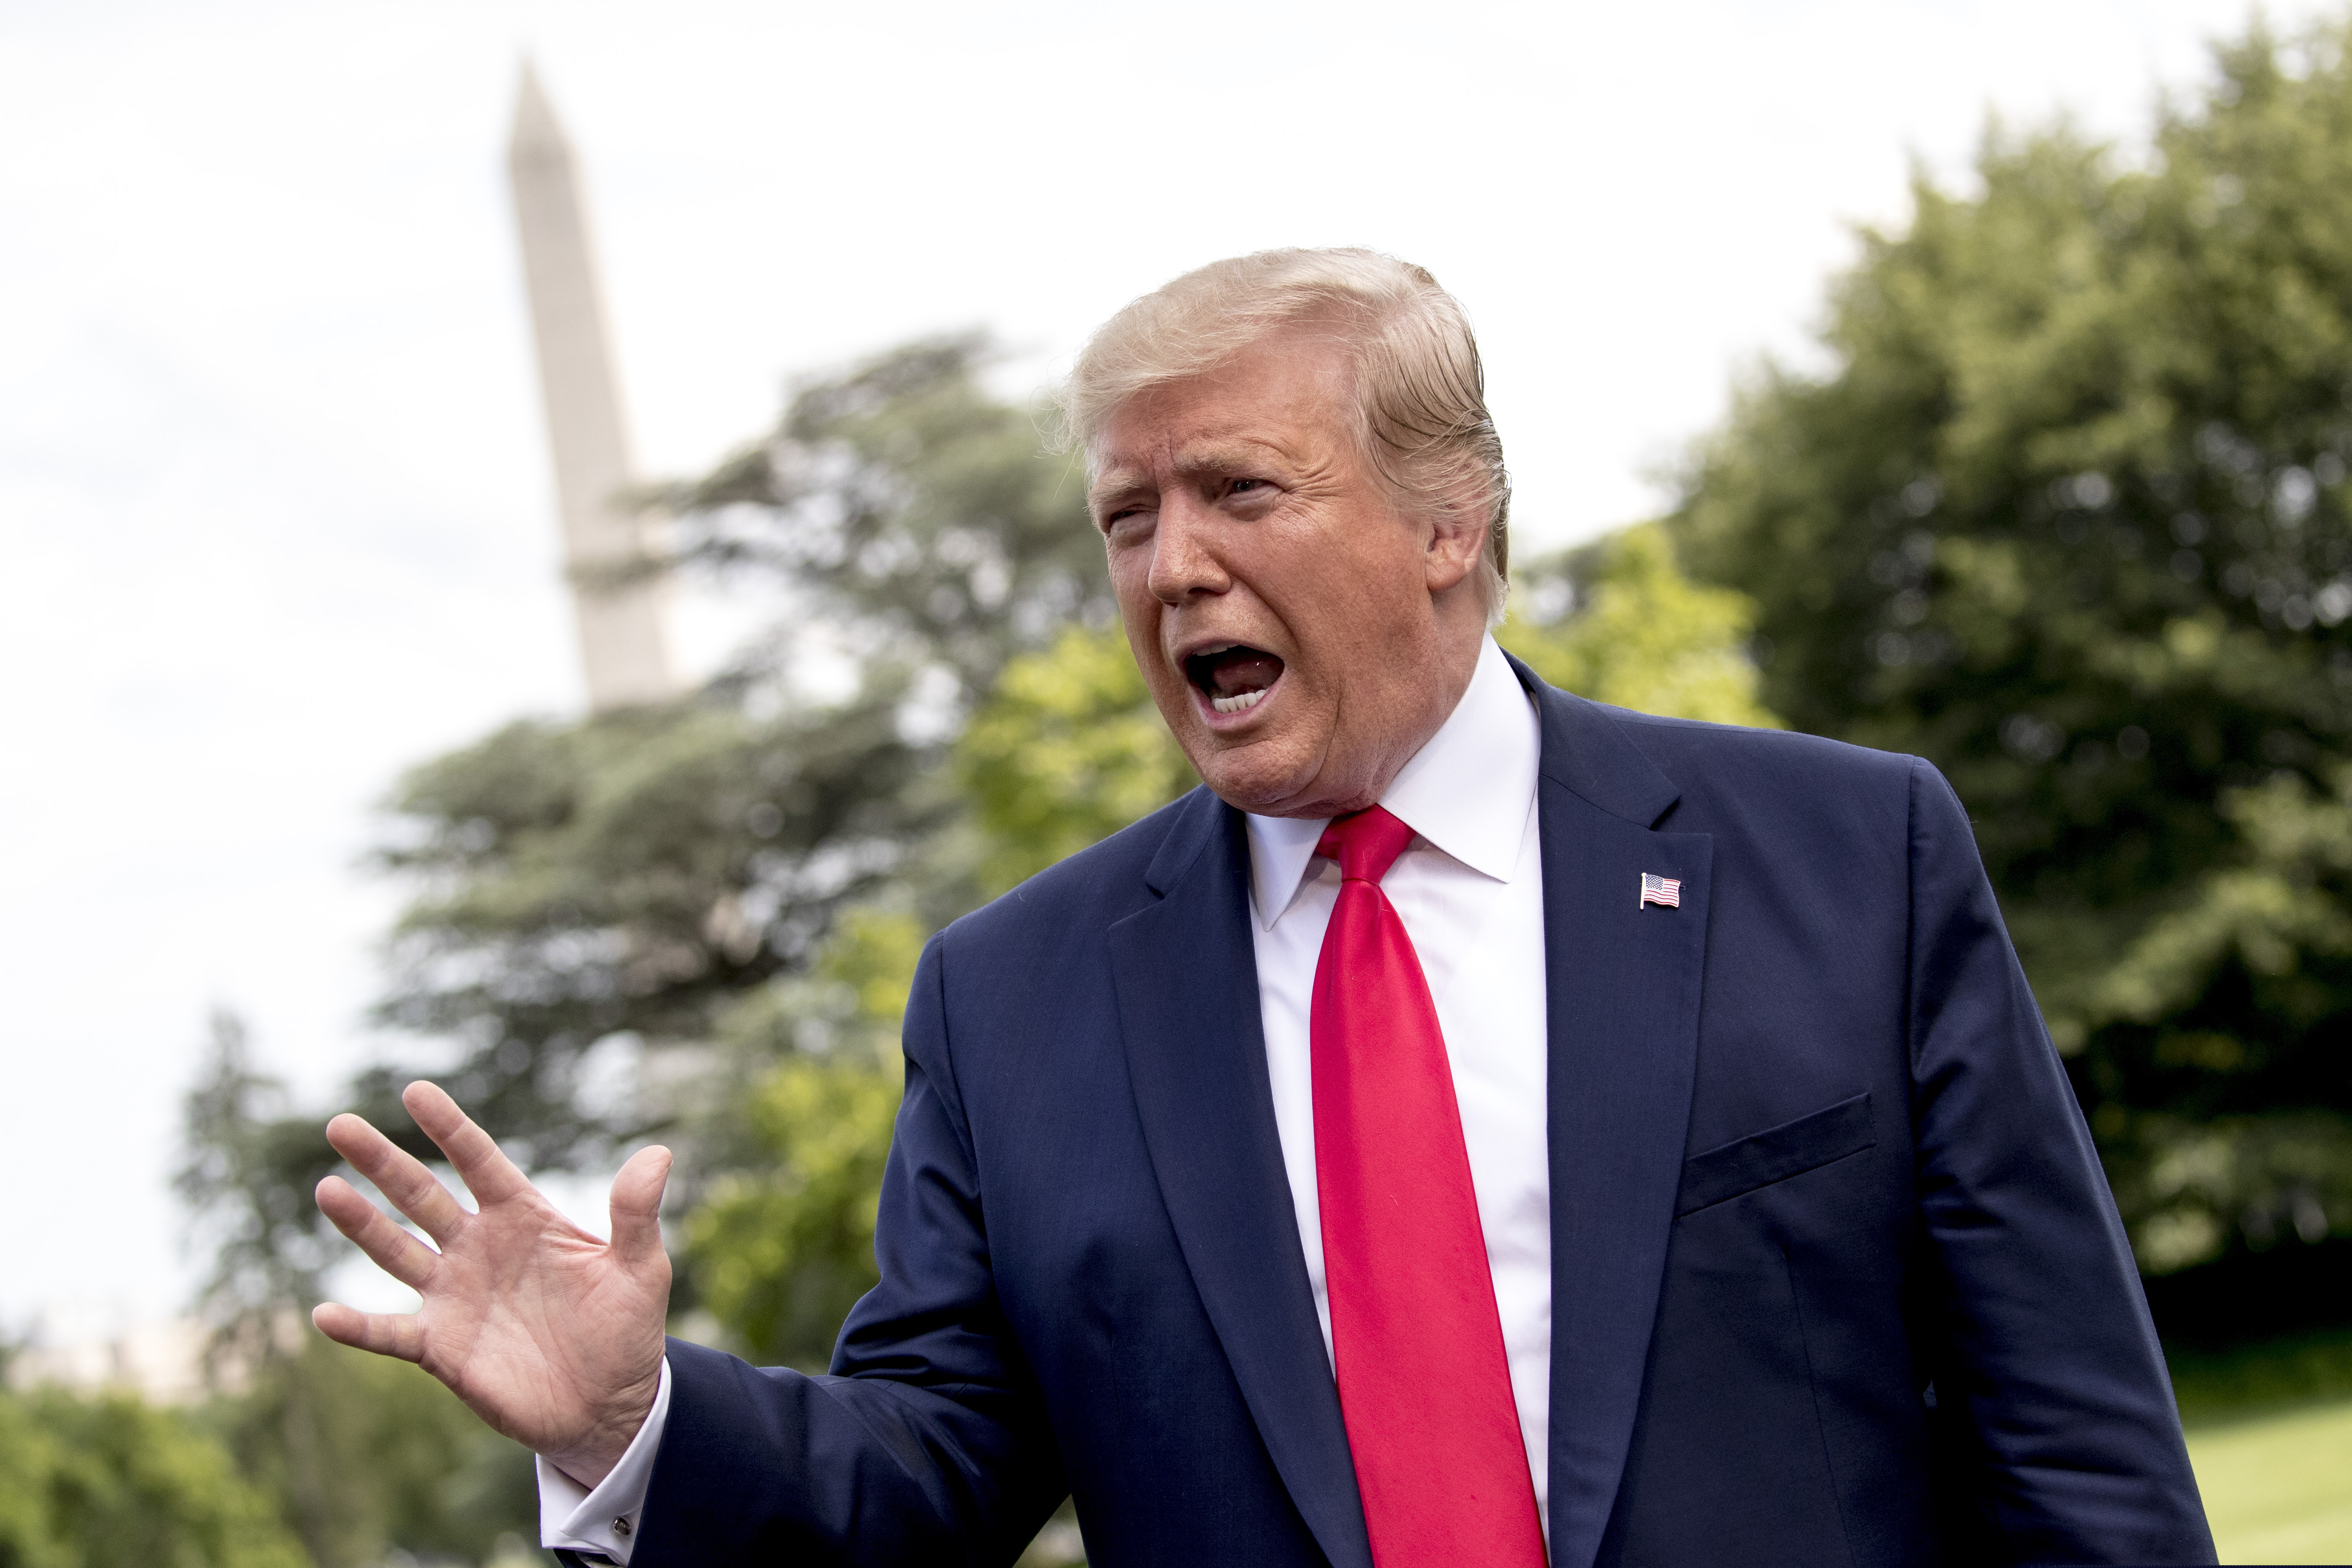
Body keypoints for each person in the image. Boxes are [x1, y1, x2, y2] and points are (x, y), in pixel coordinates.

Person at [313, 248, 2215, 1567]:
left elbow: (2071, 1441)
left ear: (1444, 518)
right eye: (1127, 517)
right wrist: (632, 1420)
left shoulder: (1843, 854)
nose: (1172, 565)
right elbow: (930, 1480)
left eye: (1236, 488)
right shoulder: (1013, 1001)